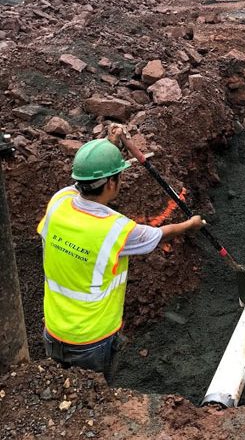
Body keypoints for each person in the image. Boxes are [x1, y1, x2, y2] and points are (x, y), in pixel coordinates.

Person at [37, 124, 203, 381]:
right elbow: (160, 234)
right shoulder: (116, 231)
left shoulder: (59, 202)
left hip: (53, 331)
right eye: (119, 177)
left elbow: (86, 178)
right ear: (112, 182)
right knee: (97, 398)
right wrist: (190, 225)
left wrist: (109, 145)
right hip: (92, 341)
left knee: (62, 391)